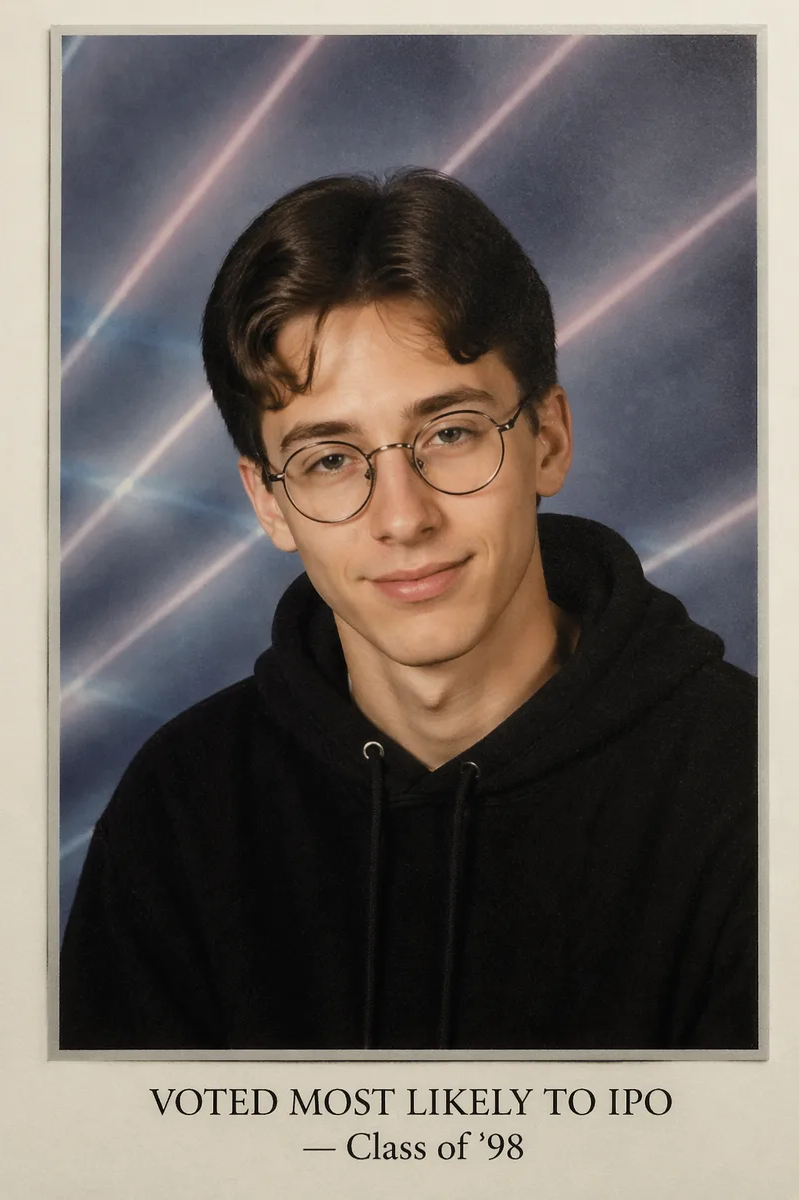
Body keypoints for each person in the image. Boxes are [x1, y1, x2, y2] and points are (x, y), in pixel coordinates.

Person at [60, 169, 758, 1052]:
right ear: (267, 502)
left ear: (548, 438)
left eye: (452, 433)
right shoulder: (179, 815)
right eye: (329, 460)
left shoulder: (757, 785)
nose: (404, 517)